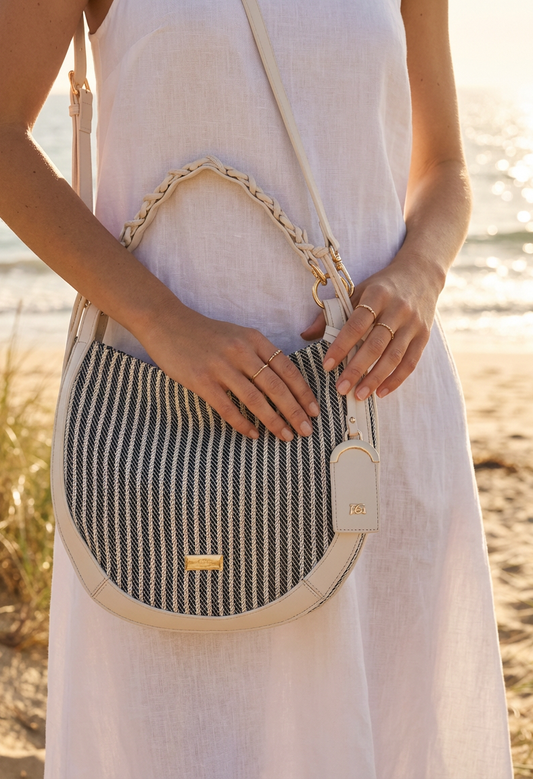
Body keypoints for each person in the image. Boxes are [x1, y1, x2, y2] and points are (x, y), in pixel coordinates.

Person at [0, 0, 513, 776]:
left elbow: (442, 167)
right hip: (162, 446)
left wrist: (420, 272)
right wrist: (162, 321)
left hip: (374, 422)